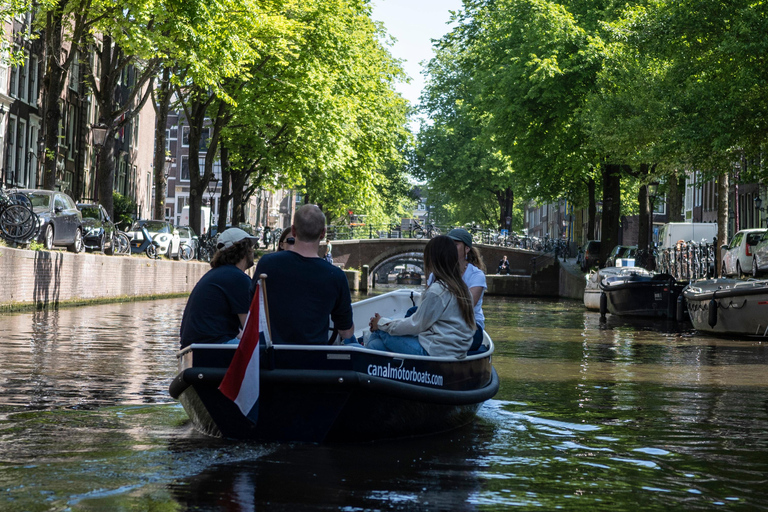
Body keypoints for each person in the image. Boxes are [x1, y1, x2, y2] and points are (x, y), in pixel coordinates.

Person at [251, 204, 354, 344]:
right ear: (323, 234)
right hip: (313, 359)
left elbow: (252, 306)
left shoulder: (268, 264)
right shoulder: (336, 276)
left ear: (293, 230)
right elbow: (346, 332)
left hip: (274, 359)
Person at [367, 235, 475, 358]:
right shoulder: (463, 289)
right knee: (377, 344)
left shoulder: (437, 291)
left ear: (432, 260)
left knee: (379, 331)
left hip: (433, 352)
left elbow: (416, 325)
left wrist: (380, 323)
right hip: (454, 351)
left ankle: (363, 360)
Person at [179, 228, 259, 348]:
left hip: (193, 349)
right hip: (213, 348)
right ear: (244, 250)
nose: (253, 251)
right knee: (266, 352)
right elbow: (251, 328)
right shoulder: (238, 279)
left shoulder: (216, 275)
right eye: (251, 248)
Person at [446, 228, 487, 351]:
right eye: (448, 245)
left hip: (470, 326)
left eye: (456, 245)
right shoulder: (437, 273)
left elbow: (466, 306)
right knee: (413, 311)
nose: (450, 248)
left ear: (467, 249)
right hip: (444, 324)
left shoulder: (476, 275)